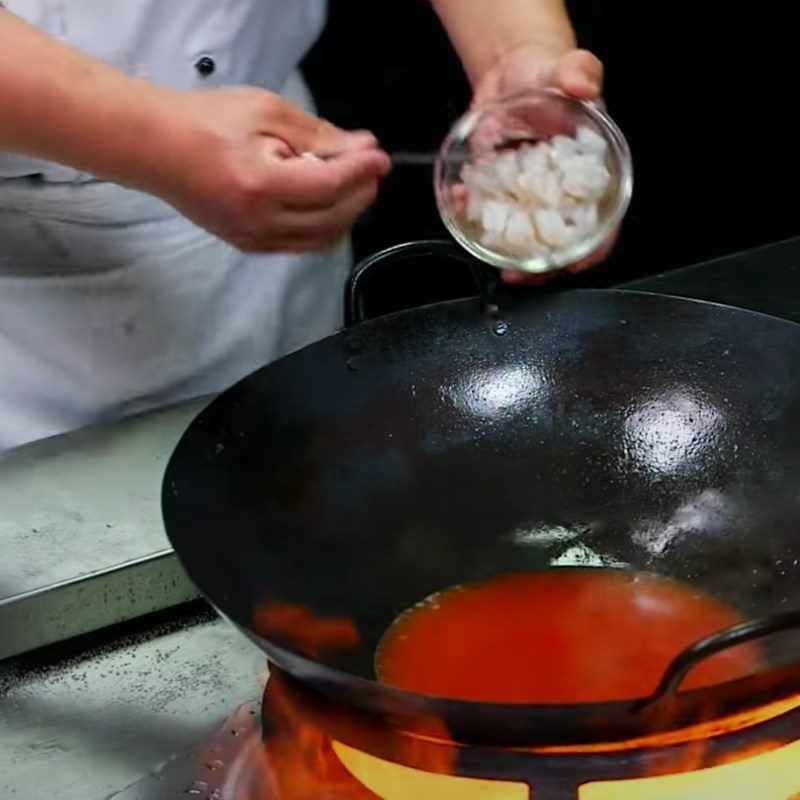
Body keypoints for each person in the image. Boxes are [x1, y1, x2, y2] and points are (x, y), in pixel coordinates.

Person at [0, 0, 603, 452]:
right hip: (19, 338)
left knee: (292, 515)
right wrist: (150, 140)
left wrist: (518, 54)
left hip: (270, 237)